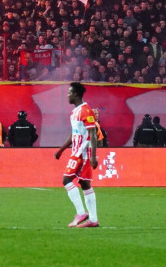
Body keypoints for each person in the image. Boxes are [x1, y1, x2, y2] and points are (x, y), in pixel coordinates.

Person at [54, 81, 100, 228]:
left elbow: (93, 134)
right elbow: (74, 133)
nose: (67, 95)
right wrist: (61, 150)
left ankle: (81, 213)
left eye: (69, 93)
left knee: (66, 180)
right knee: (84, 183)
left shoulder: (86, 111)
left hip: (83, 153)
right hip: (76, 151)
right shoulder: (75, 112)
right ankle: (93, 220)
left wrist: (93, 156)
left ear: (76, 95)